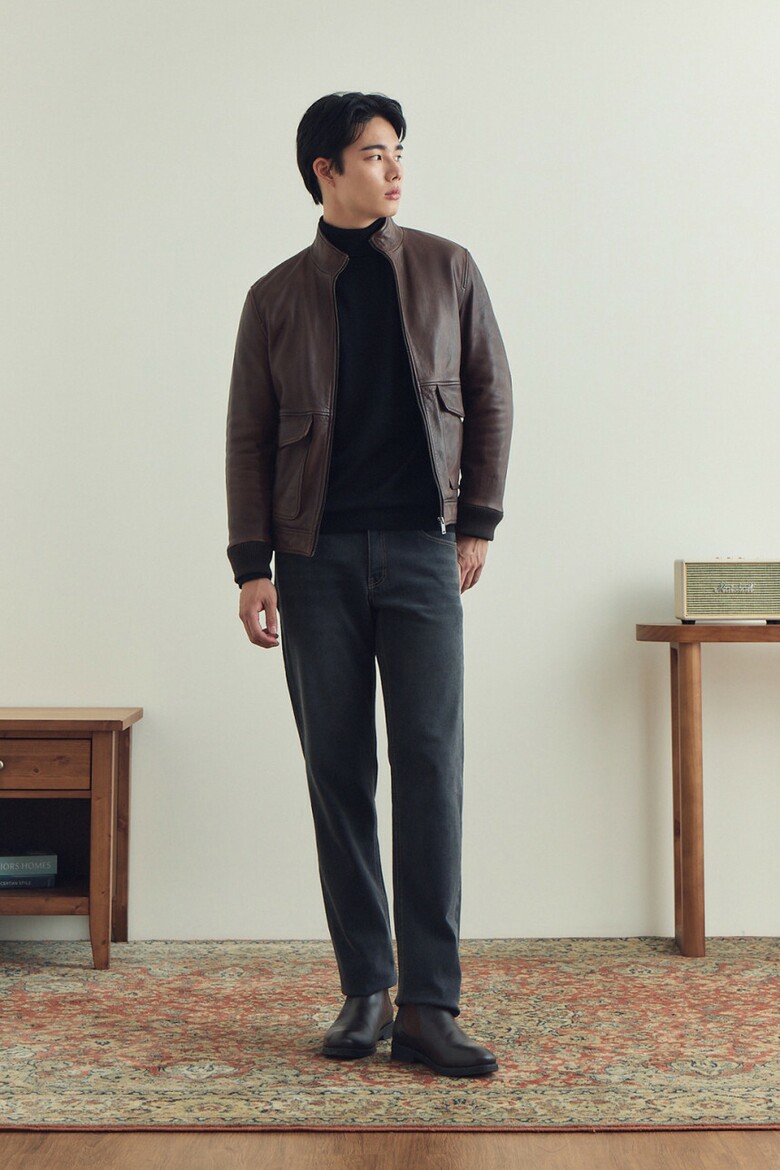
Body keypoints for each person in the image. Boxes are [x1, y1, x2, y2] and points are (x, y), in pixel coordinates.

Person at [226, 92, 512, 1077]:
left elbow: (490, 395)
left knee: (431, 767)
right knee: (338, 771)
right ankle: (366, 989)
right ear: (325, 169)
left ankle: (431, 1004)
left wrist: (477, 522)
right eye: (375, 154)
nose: (395, 170)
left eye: (398, 153)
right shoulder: (275, 296)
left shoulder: (447, 267)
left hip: (425, 551)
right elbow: (248, 436)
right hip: (314, 561)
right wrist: (251, 564)